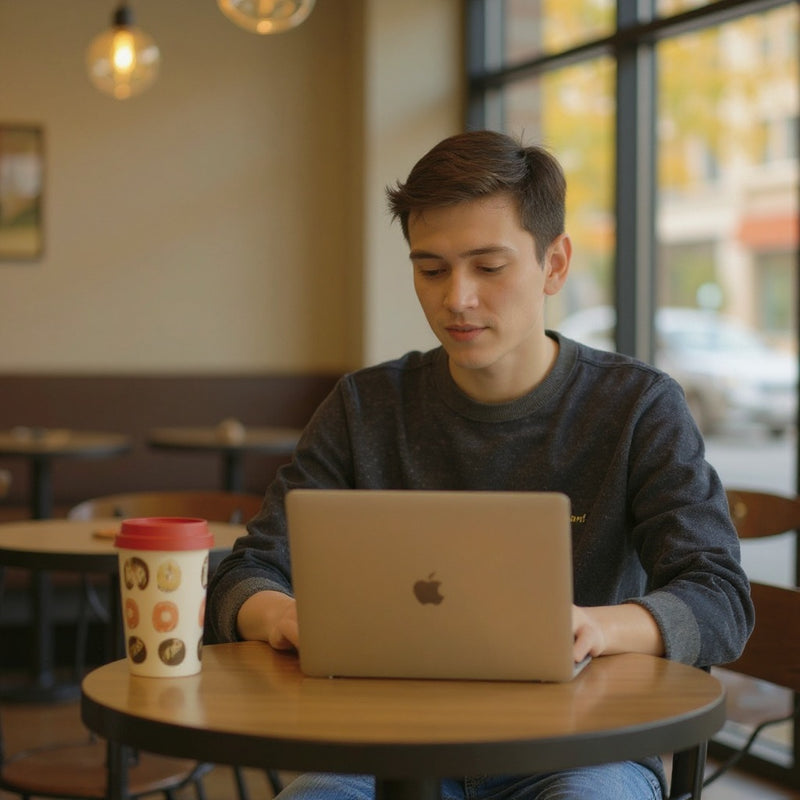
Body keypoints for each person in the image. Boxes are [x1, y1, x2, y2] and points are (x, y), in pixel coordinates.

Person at [207, 129, 754, 800]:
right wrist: (281, 616)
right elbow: (247, 571)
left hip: (579, 750)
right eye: (430, 268)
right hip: (380, 748)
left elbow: (720, 598)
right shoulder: (365, 406)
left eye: (488, 268)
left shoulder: (636, 406)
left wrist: (595, 627)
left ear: (555, 265)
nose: (456, 298)